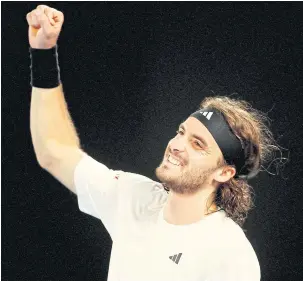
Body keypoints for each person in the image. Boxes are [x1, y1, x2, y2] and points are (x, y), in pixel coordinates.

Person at [27, 5, 278, 281]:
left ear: (224, 172)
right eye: (181, 132)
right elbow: (53, 151)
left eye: (198, 144)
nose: (177, 145)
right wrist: (44, 52)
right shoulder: (134, 197)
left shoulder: (230, 255)